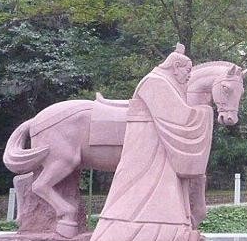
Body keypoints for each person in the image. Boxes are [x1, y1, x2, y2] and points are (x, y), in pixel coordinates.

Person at [91, 44, 212, 241]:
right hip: (147, 149)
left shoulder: (167, 83)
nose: (190, 76)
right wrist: (205, 112)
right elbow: (177, 116)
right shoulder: (155, 82)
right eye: (187, 70)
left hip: (160, 147)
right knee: (140, 190)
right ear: (175, 67)